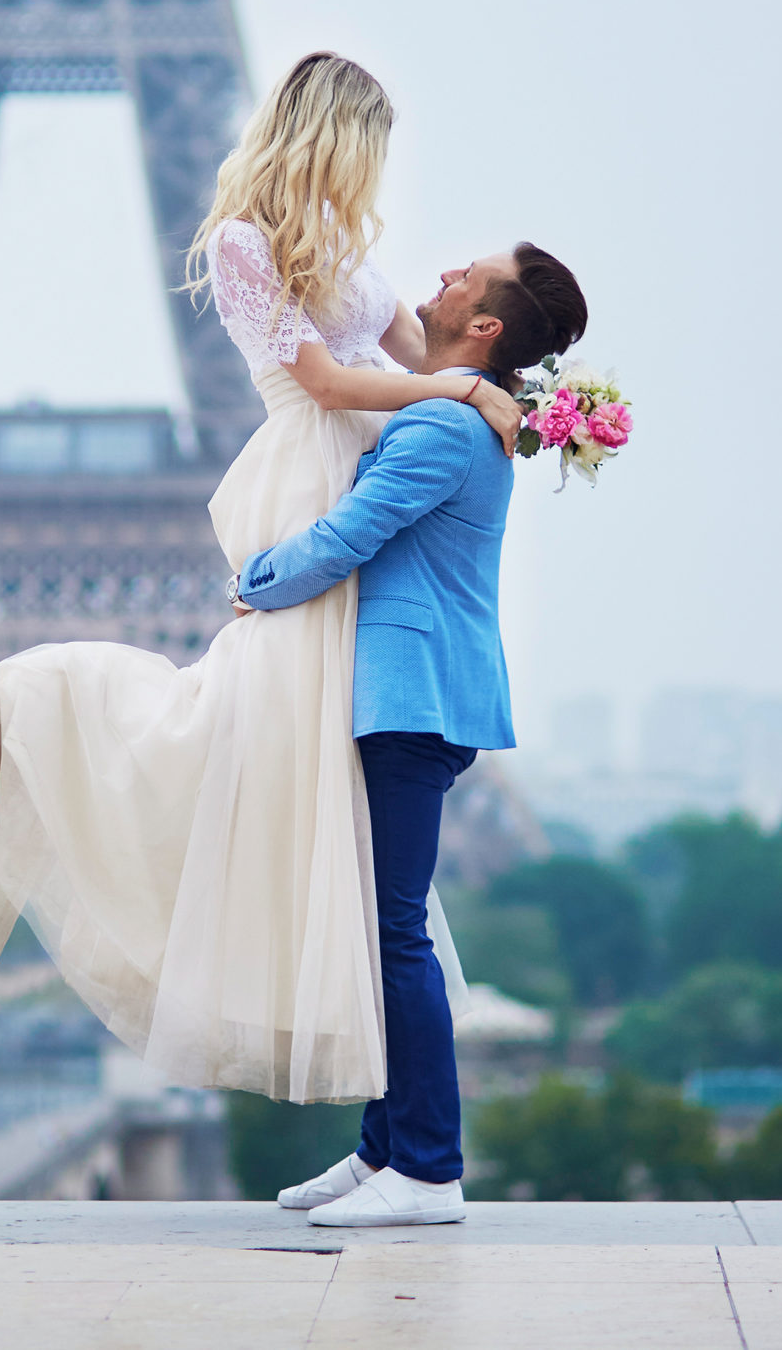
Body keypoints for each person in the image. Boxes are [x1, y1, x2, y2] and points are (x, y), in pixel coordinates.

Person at [0, 51, 524, 1105]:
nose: (376, 173)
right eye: (370, 148)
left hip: (365, 455)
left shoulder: (346, 247)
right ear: (333, 135)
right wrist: (453, 388)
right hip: (310, 463)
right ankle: (45, 720)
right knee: (267, 714)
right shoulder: (243, 241)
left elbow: (417, 358)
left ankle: (386, 1132)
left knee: (315, 755)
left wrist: (517, 395)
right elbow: (320, 376)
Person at [247, 241, 587, 1228]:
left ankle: (428, 1165)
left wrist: (251, 582)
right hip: (411, 694)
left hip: (410, 698)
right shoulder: (450, 406)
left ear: (484, 327)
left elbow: (351, 533)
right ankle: (383, 1151)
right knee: (383, 927)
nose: (437, 278)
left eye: (462, 278)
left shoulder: (441, 425)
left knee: (395, 932)